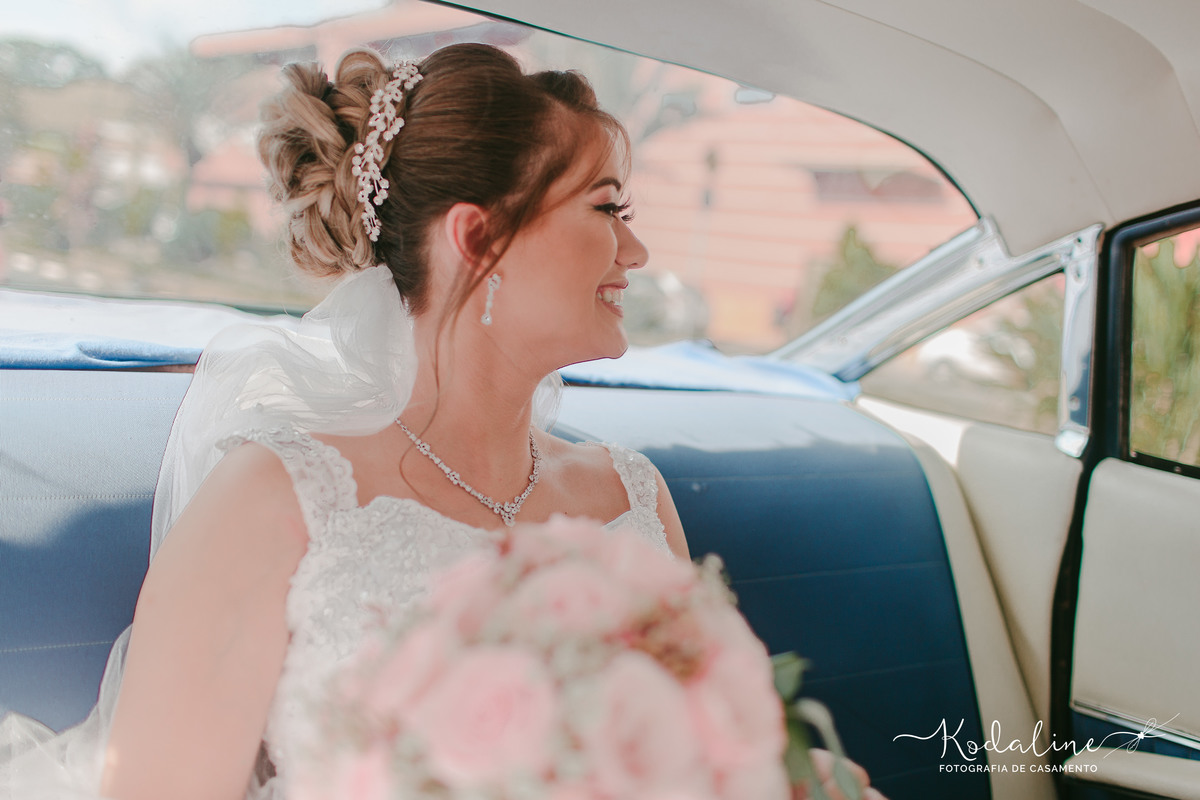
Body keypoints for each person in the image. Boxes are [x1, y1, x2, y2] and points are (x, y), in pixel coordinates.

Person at [1, 42, 877, 800]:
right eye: (607, 208)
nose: (636, 250)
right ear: (476, 238)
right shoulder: (273, 497)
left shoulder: (632, 496)